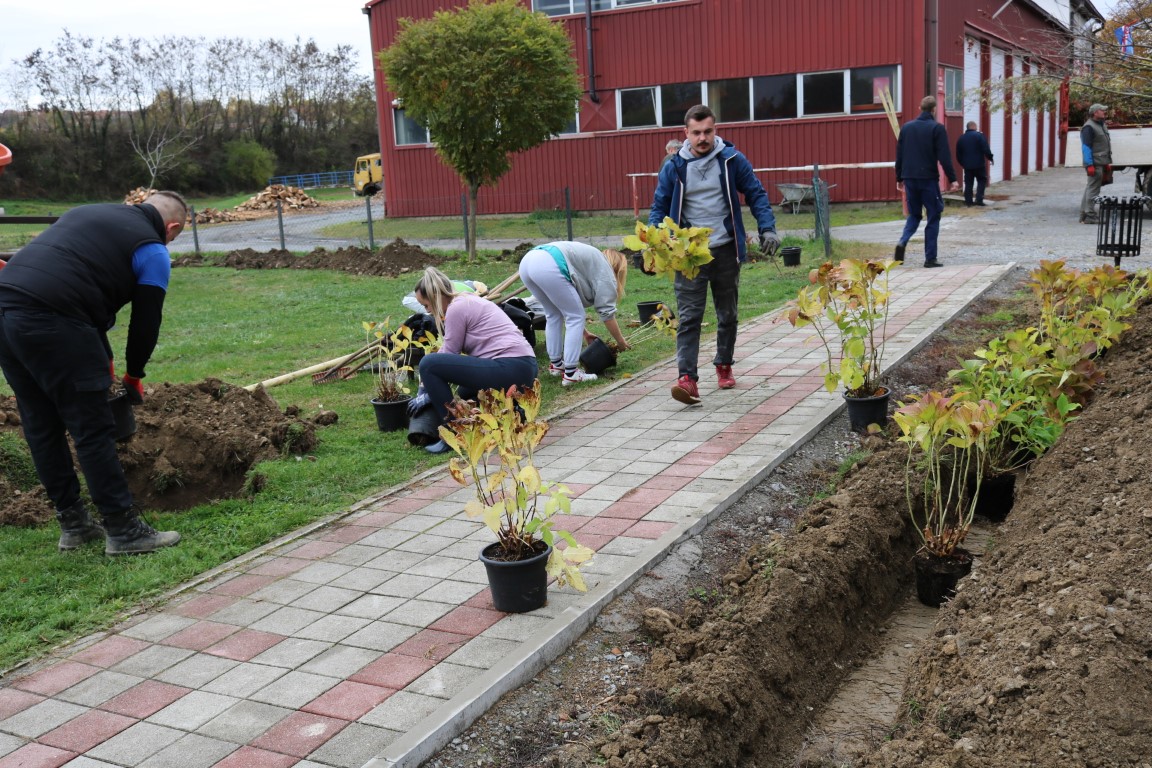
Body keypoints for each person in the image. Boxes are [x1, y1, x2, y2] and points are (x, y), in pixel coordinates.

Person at [0, 192, 188, 555]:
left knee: (41, 425)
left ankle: (74, 525)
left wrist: (107, 363)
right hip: (55, 320)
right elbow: (146, 323)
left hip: (5, 312)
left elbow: (70, 279)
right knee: (91, 426)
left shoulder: (84, 212)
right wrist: (134, 376)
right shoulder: (152, 249)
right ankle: (123, 530)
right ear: (173, 227)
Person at [651, 103, 779, 406]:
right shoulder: (674, 167)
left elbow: (756, 193)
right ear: (686, 133)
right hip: (688, 254)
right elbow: (659, 206)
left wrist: (768, 229)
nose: (702, 138)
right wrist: (657, 241)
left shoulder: (732, 160)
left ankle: (724, 364)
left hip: (724, 249)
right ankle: (688, 379)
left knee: (727, 313)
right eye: (696, 133)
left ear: (715, 130)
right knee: (689, 317)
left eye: (707, 131)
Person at [408, 267, 538, 454]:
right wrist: (424, 389)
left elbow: (448, 355)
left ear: (435, 296)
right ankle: (514, 414)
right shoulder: (467, 300)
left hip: (509, 367)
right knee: (465, 392)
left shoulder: (456, 308)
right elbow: (448, 352)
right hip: (522, 367)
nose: (427, 311)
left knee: (428, 364)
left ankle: (455, 436)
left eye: (426, 305)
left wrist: (425, 395)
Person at [518, 242, 630, 386]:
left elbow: (566, 308)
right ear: (617, 267)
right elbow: (607, 314)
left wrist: (585, 333)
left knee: (553, 314)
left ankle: (557, 366)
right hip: (547, 263)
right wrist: (621, 342)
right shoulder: (605, 270)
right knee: (576, 316)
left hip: (528, 261)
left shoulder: (588, 263)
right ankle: (571, 374)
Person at [894, 96, 960, 268]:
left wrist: (899, 178)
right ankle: (930, 258)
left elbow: (900, 154)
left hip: (909, 178)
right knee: (934, 214)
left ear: (919, 108)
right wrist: (952, 178)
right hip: (928, 179)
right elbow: (944, 156)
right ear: (934, 110)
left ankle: (903, 241)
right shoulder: (936, 128)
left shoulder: (906, 128)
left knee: (914, 215)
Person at [1080, 103, 1112, 224]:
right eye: (1101, 110)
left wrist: (1106, 162)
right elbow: (1086, 147)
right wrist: (1089, 165)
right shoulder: (1089, 127)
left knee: (1090, 188)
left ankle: (1084, 215)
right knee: (1093, 189)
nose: (1104, 112)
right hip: (1095, 163)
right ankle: (1090, 215)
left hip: (1100, 162)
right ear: (1095, 113)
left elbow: (1103, 145)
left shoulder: (1101, 125)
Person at [956, 121, 994, 207]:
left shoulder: (961, 138)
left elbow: (958, 154)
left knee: (969, 183)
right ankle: (979, 199)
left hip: (967, 166)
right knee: (981, 180)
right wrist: (990, 157)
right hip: (979, 165)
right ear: (974, 126)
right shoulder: (979, 136)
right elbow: (985, 148)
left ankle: (968, 202)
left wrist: (963, 163)